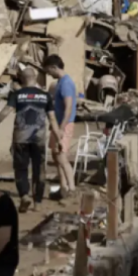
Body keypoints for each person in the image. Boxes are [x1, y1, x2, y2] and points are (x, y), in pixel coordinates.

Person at [0, 68, 59, 212]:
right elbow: (53, 119)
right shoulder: (45, 96)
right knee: (39, 170)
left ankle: (24, 195)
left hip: (20, 138)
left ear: (22, 79)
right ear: (35, 78)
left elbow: (5, 112)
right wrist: (59, 138)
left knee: (21, 169)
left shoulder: (17, 95)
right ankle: (38, 203)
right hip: (39, 138)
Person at [43, 55, 77, 197]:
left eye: (48, 71)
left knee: (62, 156)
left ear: (54, 67)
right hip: (57, 124)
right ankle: (63, 187)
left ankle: (71, 188)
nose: (49, 74)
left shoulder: (66, 83)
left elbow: (68, 107)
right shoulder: (60, 83)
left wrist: (61, 128)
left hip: (64, 124)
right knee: (55, 155)